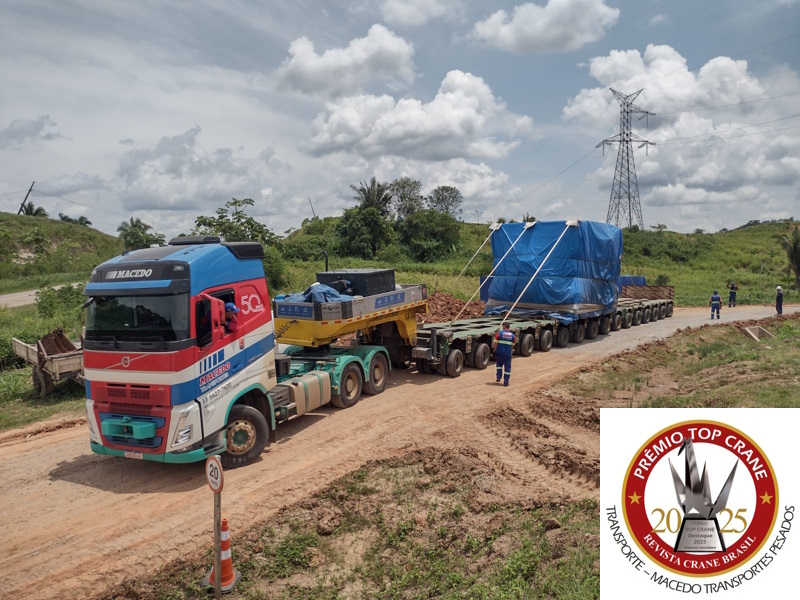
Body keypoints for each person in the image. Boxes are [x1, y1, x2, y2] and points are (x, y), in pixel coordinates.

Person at [492, 322, 516, 387]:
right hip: (508, 354)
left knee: (499, 365)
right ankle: (506, 382)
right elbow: (513, 345)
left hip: (500, 353)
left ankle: (498, 378)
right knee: (507, 368)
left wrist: (494, 351)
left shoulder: (499, 334)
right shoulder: (512, 335)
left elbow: (495, 343)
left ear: (504, 326)